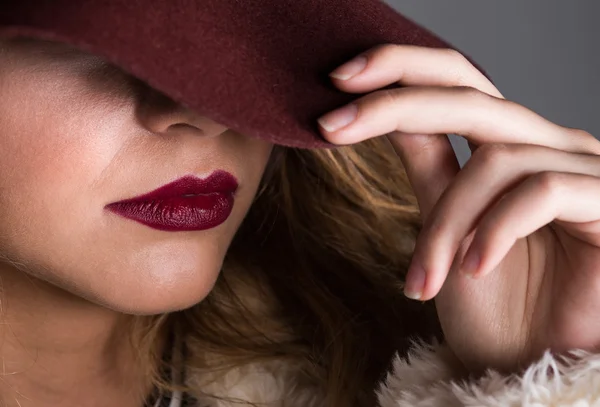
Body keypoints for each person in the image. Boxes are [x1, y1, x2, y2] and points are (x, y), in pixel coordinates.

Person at [0, 4, 599, 407]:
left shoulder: (369, 341)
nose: (210, 112)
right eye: (94, 40)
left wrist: (543, 374)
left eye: (233, 42)